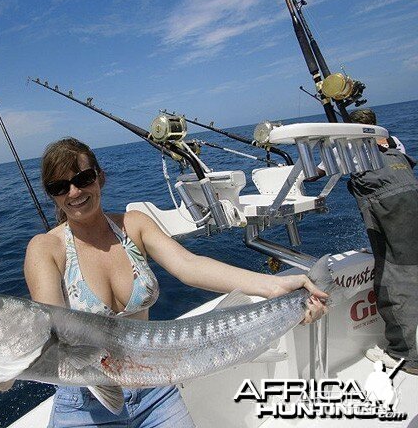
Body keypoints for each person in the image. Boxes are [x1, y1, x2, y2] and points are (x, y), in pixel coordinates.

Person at [24, 137, 328, 427]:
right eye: (60, 186)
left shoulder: (134, 224)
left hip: (154, 387)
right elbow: (50, 332)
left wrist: (275, 287)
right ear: (51, 194)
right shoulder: (46, 249)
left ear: (100, 177)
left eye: (83, 178)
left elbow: (189, 266)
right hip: (85, 400)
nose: (74, 192)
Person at [311, 109, 418, 375]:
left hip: (387, 207)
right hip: (412, 198)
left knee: (394, 276)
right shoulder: (393, 142)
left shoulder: (345, 148)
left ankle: (406, 356)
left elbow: (315, 174)